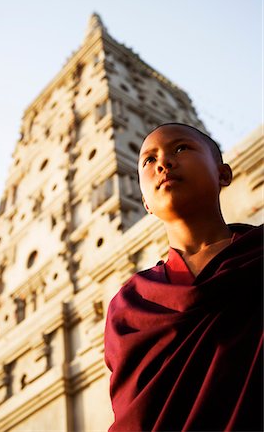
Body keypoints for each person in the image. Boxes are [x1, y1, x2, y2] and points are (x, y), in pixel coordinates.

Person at [104, 123, 263, 432]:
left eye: (181, 148)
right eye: (149, 160)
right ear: (145, 203)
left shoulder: (257, 256)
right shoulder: (130, 303)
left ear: (223, 174)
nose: (163, 163)